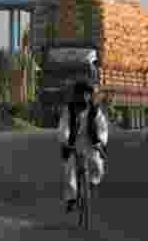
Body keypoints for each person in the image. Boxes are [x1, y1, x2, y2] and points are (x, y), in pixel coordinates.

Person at [58, 80, 108, 213]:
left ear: (90, 96)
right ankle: (71, 199)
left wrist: (101, 141)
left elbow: (102, 128)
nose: (84, 97)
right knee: (69, 170)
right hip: (73, 142)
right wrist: (66, 140)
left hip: (90, 142)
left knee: (97, 164)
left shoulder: (95, 110)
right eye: (81, 94)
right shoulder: (68, 110)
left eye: (87, 94)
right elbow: (64, 127)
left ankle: (93, 182)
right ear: (76, 95)